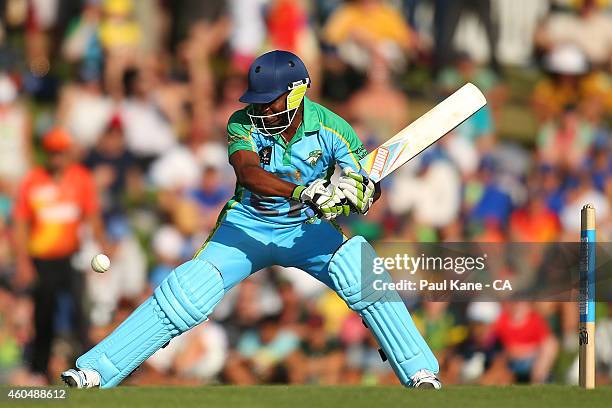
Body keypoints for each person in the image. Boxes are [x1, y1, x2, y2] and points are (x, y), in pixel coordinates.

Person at [61, 50, 440, 389]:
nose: (262, 111)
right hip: (247, 226)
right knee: (187, 294)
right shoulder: (242, 123)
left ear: (295, 94)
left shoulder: (332, 129)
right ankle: (95, 372)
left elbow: (364, 182)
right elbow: (248, 173)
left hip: (306, 230)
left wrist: (361, 195)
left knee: (362, 273)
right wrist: (304, 191)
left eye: (270, 104)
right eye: (257, 103)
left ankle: (420, 374)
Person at [12, 127, 108, 383]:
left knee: (80, 311)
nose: (56, 158)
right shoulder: (33, 180)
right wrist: (22, 261)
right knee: (43, 314)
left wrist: (103, 246)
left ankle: (86, 369)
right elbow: (20, 223)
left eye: (60, 153)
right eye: (52, 153)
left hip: (72, 257)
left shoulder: (81, 179)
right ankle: (39, 369)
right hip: (42, 260)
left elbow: (92, 216)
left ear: (68, 153)